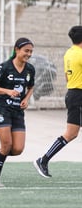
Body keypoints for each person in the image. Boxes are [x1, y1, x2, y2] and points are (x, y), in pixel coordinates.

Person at [34, 26, 82, 178]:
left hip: (73, 93)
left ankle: (44, 160)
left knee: (71, 133)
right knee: (71, 133)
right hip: (78, 95)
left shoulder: (69, 53)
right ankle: (43, 160)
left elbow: (68, 77)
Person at [0, 37, 35, 188]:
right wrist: (7, 91)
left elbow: (31, 86)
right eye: (26, 51)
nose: (28, 54)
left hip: (18, 112)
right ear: (16, 50)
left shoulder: (29, 69)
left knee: (18, 149)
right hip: (2, 109)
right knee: (7, 145)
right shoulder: (5, 67)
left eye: (31, 52)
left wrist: (26, 99)